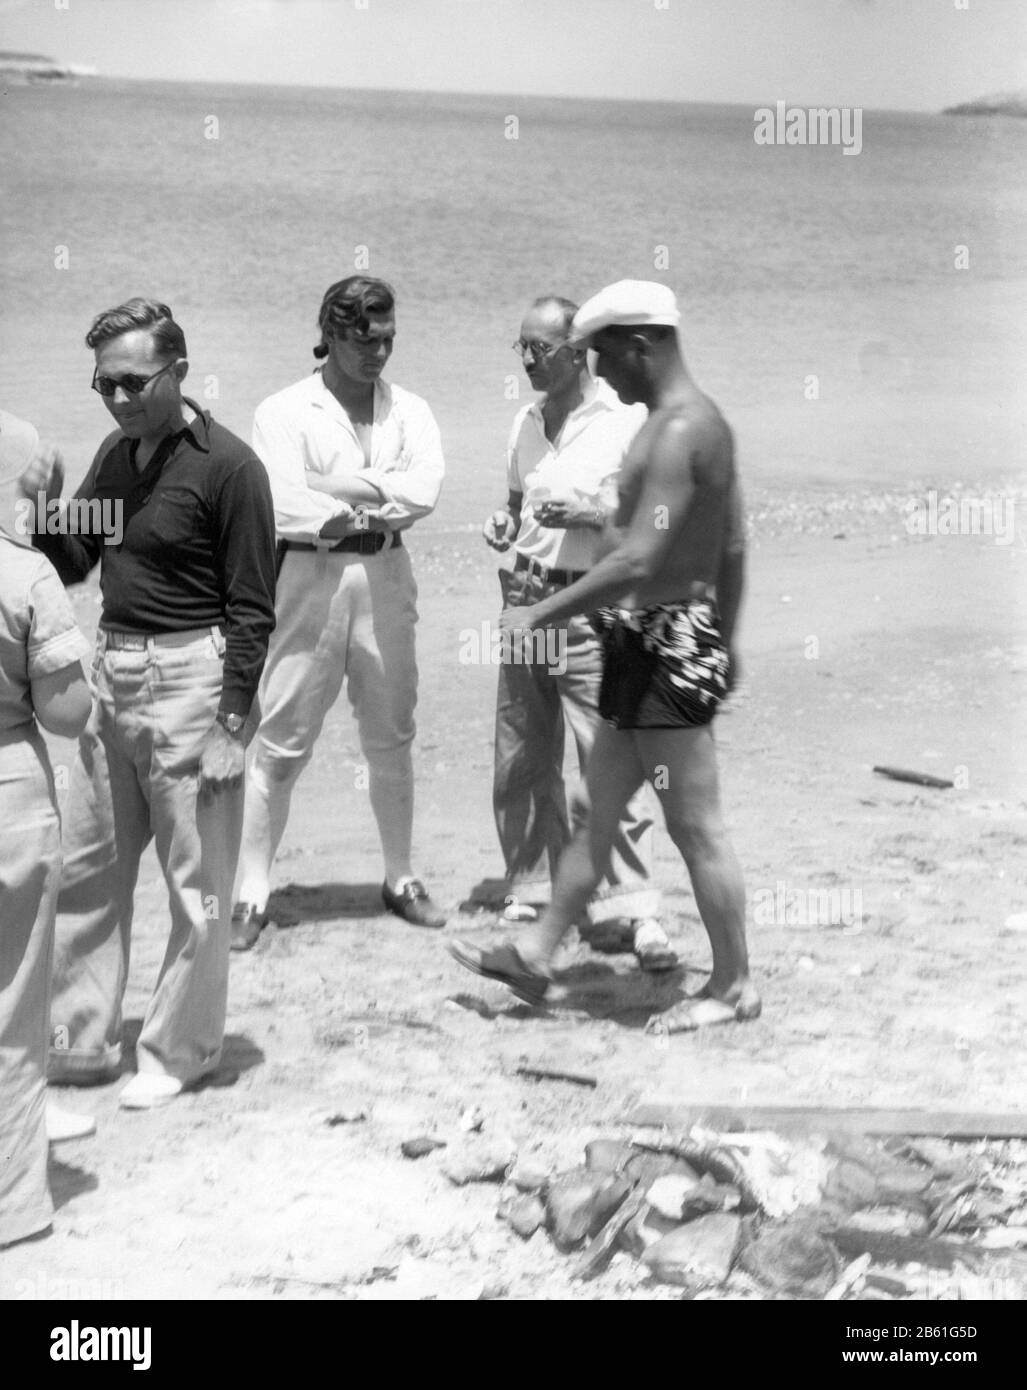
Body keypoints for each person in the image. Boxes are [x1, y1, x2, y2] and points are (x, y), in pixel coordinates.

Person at [452, 281, 761, 1029]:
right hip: (642, 638)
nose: (601, 371)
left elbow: (636, 559)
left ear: (641, 344)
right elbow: (730, 543)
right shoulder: (665, 426)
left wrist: (540, 612)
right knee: (596, 808)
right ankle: (536, 954)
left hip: (665, 640)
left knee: (695, 825)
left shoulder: (686, 429)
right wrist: (731, 637)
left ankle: (732, 986)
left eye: (602, 353)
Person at [23, 298, 278, 1109]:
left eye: (133, 381)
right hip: (111, 678)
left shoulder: (230, 468)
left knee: (197, 884)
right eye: (104, 383)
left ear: (177, 371)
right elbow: (73, 561)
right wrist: (40, 505)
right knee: (89, 871)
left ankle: (183, 1048)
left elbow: (252, 610)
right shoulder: (119, 453)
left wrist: (234, 725)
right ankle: (81, 1040)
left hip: (193, 683)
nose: (119, 397)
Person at [231, 276, 447, 949]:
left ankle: (401, 876)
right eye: (361, 339)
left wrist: (333, 487)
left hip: (385, 570)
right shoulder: (283, 409)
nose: (376, 351)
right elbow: (274, 498)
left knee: (390, 732)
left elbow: (424, 492)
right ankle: (248, 892)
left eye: (385, 338)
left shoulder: (410, 409)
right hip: (307, 576)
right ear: (328, 333)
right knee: (279, 739)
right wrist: (337, 504)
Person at [483, 294, 675, 970]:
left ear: (576, 351)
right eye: (521, 347)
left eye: (538, 347)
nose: (527, 359)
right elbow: (514, 504)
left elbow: (650, 522)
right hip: (528, 592)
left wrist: (591, 512)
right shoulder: (525, 421)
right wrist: (504, 527)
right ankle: (533, 884)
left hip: (592, 602)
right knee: (522, 750)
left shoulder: (624, 422)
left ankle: (635, 908)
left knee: (608, 758)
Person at [0, 410, 95, 1248]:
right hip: (8, 792)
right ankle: (11, 1207)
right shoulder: (24, 573)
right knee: (16, 1001)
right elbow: (67, 714)